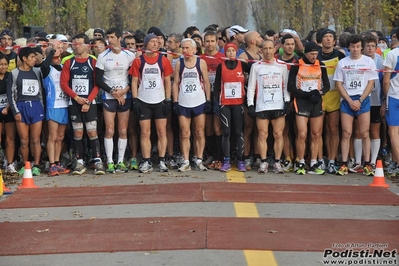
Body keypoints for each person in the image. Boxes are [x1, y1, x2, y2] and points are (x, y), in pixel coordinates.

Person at [333, 34, 378, 176]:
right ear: (349, 47)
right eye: (353, 47)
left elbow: (371, 83)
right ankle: (344, 163)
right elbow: (338, 84)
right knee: (346, 132)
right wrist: (349, 100)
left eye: (358, 47)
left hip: (363, 99)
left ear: (362, 47)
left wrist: (360, 100)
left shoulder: (369, 62)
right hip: (347, 100)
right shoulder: (342, 63)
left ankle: (368, 164)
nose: (355, 49)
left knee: (365, 133)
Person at [60, 33, 104, 175]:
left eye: (79, 44)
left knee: (92, 131)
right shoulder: (69, 62)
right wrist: (77, 98)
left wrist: (89, 100)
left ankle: (97, 161)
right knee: (78, 132)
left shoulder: (93, 62)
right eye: (74, 44)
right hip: (75, 103)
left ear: (86, 45)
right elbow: (64, 83)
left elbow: (97, 83)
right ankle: (79, 162)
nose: (76, 46)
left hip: (90, 102)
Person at [129, 33, 173, 173]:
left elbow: (167, 81)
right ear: (146, 44)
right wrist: (135, 99)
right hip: (144, 101)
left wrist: (168, 99)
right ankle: (146, 160)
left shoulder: (163, 60)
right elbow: (134, 81)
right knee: (145, 132)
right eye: (152, 42)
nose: (156, 44)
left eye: (157, 42)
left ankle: (161, 160)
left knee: (161, 132)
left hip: (159, 101)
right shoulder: (138, 61)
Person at [96, 27, 135, 174]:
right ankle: (110, 162)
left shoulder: (129, 55)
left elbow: (134, 78)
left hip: (125, 95)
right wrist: (113, 92)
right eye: (108, 37)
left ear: (119, 39)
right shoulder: (103, 56)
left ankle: (120, 161)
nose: (110, 40)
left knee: (123, 130)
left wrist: (124, 91)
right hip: (109, 96)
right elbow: (98, 80)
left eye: (112, 37)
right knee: (110, 130)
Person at [247, 40, 290, 173]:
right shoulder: (256, 66)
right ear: (261, 50)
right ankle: (264, 162)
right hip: (262, 105)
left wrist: (287, 101)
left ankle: (277, 162)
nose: (268, 51)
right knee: (262, 134)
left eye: (270, 48)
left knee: (278, 134)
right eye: (265, 48)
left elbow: (286, 86)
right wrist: (250, 104)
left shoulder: (282, 66)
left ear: (274, 50)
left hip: (278, 104)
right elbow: (251, 87)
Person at [288, 41, 330, 175]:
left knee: (316, 134)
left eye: (316, 54)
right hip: (302, 101)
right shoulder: (297, 64)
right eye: (311, 54)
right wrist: (305, 94)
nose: (314, 57)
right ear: (306, 53)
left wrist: (319, 93)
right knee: (302, 134)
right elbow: (291, 86)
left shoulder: (320, 65)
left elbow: (327, 85)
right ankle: (300, 161)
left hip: (316, 101)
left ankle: (313, 162)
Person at [172, 38, 211, 171]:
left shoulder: (201, 62)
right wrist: (175, 101)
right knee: (184, 133)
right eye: (183, 48)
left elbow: (206, 82)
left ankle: (199, 160)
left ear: (194, 49)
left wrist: (208, 100)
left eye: (188, 48)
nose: (185, 50)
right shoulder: (179, 63)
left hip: (199, 101)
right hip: (183, 102)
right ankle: (186, 160)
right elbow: (175, 83)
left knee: (199, 132)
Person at [7, 47, 45, 176]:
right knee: (24, 140)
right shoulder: (14, 73)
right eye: (32, 57)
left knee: (36, 139)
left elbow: (40, 91)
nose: (35, 60)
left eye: (35, 57)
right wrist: (15, 111)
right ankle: (26, 164)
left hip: (35, 106)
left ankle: (37, 165)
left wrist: (42, 108)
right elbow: (10, 94)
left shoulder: (37, 71)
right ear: (24, 58)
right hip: (21, 107)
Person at [214, 43, 250, 172]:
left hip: (238, 103)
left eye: (232, 51)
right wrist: (215, 103)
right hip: (225, 104)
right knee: (226, 132)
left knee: (238, 132)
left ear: (236, 52)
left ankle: (240, 160)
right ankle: (227, 160)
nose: (230, 53)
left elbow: (254, 69)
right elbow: (217, 85)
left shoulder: (242, 65)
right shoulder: (220, 66)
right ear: (225, 53)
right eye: (228, 51)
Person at [317, 29, 346, 174]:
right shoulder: (316, 56)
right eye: (325, 37)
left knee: (333, 130)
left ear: (334, 41)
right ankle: (323, 158)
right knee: (319, 131)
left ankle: (333, 160)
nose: (328, 39)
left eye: (331, 37)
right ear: (320, 40)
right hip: (321, 97)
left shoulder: (340, 56)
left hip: (335, 97)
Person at [42, 42, 71, 176]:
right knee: (52, 137)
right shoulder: (46, 69)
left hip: (64, 105)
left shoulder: (63, 68)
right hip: (53, 105)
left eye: (59, 57)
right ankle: (52, 164)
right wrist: (53, 50)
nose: (58, 59)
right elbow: (45, 64)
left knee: (60, 137)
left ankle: (58, 162)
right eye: (55, 57)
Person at [238, 31, 263, 170]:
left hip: (261, 97)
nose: (261, 39)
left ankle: (258, 155)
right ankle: (246, 156)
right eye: (259, 37)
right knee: (248, 128)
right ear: (253, 41)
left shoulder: (262, 56)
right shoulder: (243, 57)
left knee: (259, 129)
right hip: (247, 96)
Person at [200, 31, 225, 169]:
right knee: (207, 128)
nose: (209, 44)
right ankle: (210, 155)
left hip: (218, 96)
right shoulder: (199, 58)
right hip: (202, 96)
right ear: (203, 43)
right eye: (207, 41)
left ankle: (218, 158)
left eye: (212, 41)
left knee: (217, 128)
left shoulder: (222, 58)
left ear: (217, 42)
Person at [277, 34, 301, 172]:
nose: (290, 46)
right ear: (282, 46)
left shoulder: (299, 61)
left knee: (299, 131)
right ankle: (287, 158)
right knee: (284, 130)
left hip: (298, 99)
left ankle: (299, 158)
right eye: (287, 44)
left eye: (292, 44)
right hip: (281, 100)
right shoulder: (277, 62)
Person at [382, 27, 399, 176]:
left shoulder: (392, 54)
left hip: (393, 96)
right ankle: (395, 161)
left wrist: (384, 97)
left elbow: (386, 80)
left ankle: (398, 163)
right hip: (394, 96)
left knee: (393, 132)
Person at [0, 54, 17, 174]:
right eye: (0, 64)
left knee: (10, 138)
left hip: (8, 109)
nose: (3, 67)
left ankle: (10, 164)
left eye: (5, 64)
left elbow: (14, 94)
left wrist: (7, 107)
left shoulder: (10, 76)